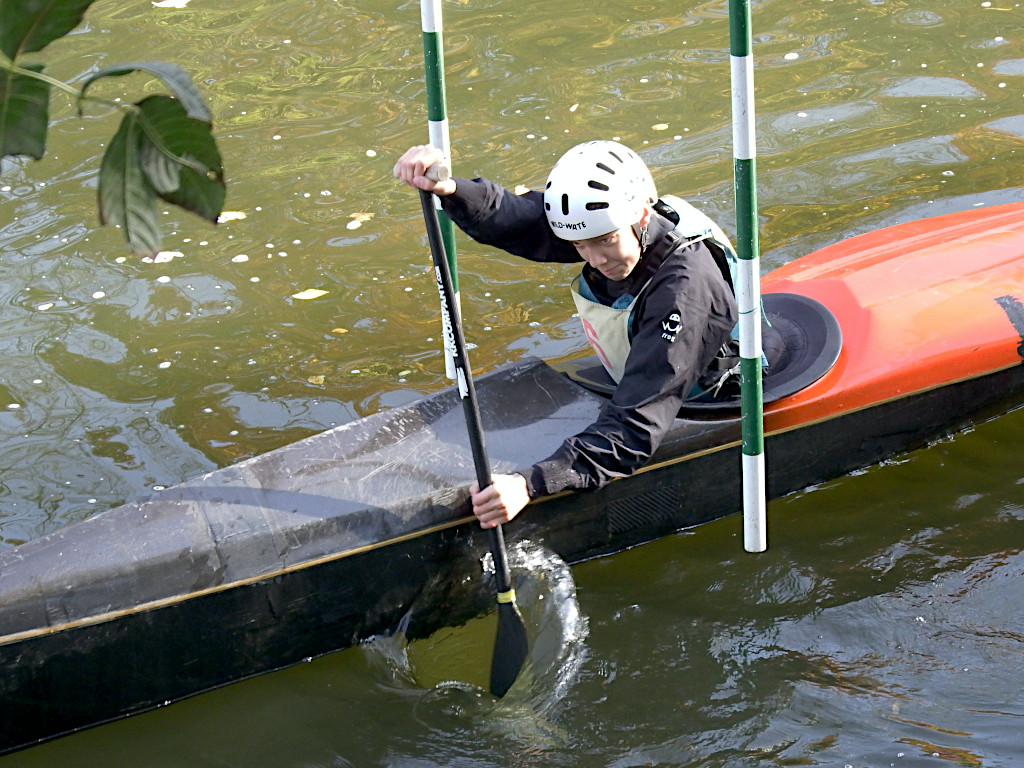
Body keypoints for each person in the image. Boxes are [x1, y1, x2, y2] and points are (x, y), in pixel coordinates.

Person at [394, 140, 756, 530]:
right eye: (580, 244)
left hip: (707, 394)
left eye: (605, 241)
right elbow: (519, 218)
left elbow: (635, 429)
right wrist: (449, 189)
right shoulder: (613, 227)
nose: (596, 259)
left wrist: (530, 484)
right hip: (647, 365)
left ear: (642, 214)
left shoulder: (683, 293)